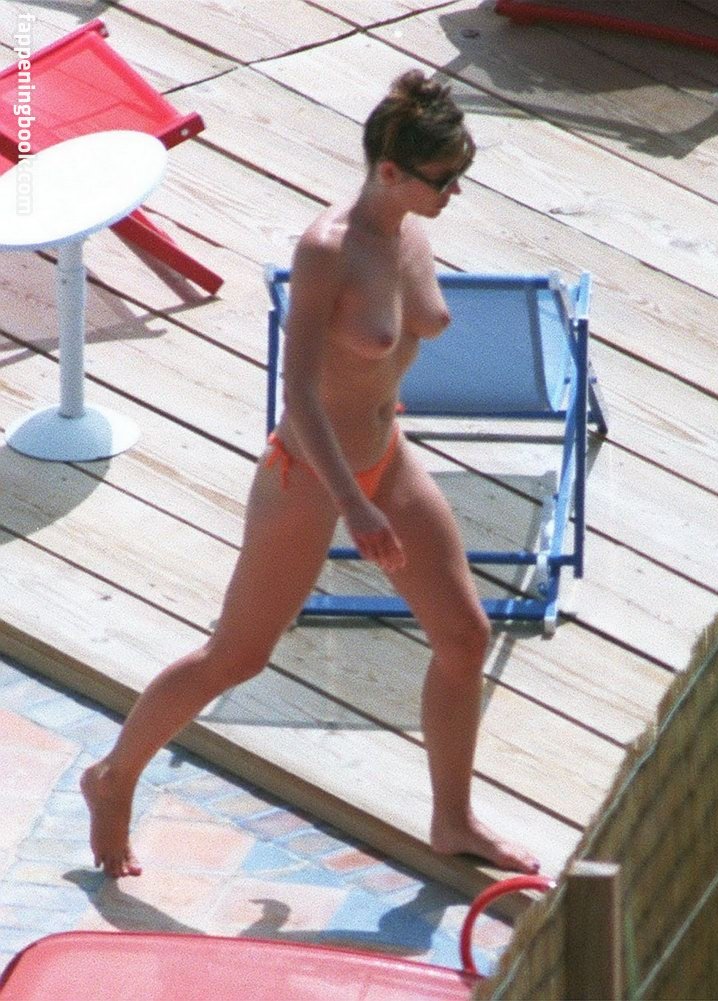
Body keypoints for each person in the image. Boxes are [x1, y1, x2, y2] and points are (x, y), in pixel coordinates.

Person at [82, 69, 540, 879]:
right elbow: (296, 391)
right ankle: (114, 776)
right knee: (236, 657)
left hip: (386, 456)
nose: (455, 191)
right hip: (308, 474)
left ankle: (453, 818)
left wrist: (376, 482)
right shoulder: (327, 249)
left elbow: (390, 349)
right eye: (444, 178)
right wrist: (352, 507)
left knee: (464, 637)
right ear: (390, 170)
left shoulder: (413, 231)